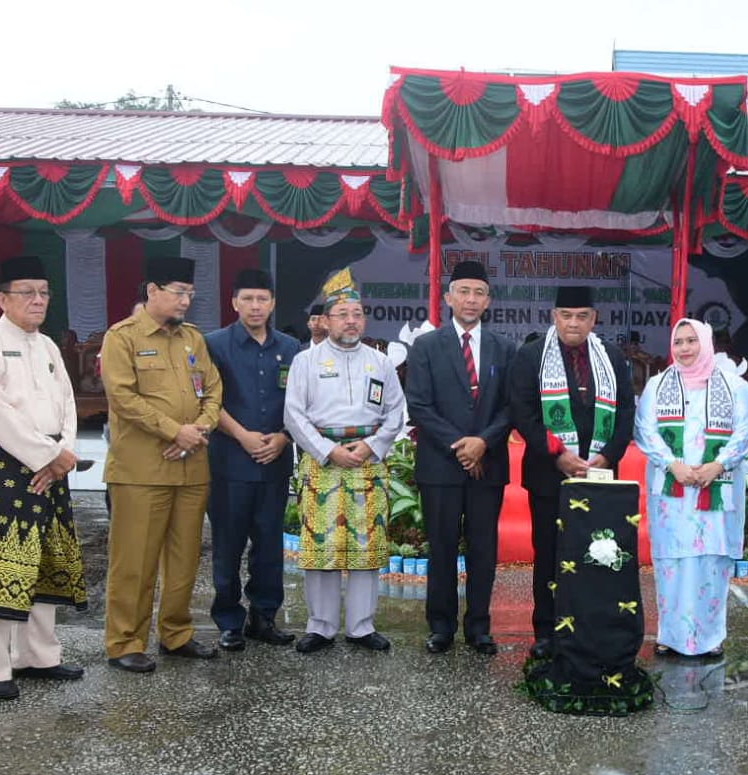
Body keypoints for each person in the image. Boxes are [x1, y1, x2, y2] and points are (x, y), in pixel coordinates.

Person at [0, 255, 86, 700]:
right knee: (1, 558)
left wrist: (63, 451)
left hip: (52, 462)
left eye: (44, 293)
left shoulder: (48, 345)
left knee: (46, 558)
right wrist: (47, 455)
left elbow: (67, 403)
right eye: (27, 292)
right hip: (3, 462)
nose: (37, 300)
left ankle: (38, 655)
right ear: (1, 298)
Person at [99, 256, 223, 672]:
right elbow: (123, 397)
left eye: (190, 293)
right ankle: (125, 642)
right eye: (178, 292)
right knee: (134, 560)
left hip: (191, 467)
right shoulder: (123, 337)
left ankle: (176, 633)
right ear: (152, 291)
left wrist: (198, 431)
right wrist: (175, 431)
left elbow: (213, 391)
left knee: (184, 557)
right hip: (141, 470)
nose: (186, 300)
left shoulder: (192, 339)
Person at [509, 285, 637, 659]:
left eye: (582, 316)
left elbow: (627, 411)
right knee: (548, 553)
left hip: (600, 478)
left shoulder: (611, 357)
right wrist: (557, 454)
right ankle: (546, 632)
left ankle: (592, 626)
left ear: (594, 319)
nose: (574, 323)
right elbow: (523, 411)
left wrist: (609, 456)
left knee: (596, 552)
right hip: (549, 476)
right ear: (554, 317)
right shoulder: (531, 356)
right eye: (567, 315)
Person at [284, 271, 407, 653]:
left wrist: (372, 446)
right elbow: (294, 415)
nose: (351, 320)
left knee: (366, 548)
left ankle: (361, 626)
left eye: (357, 314)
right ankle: (320, 626)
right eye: (342, 314)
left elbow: (396, 411)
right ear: (325, 320)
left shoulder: (380, 362)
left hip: (367, 462)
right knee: (321, 547)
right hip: (323, 461)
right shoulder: (307, 361)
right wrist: (327, 450)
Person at [404, 260, 517, 655]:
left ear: (488, 300)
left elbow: (511, 406)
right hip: (440, 465)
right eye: (464, 292)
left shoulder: (506, 347)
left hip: (489, 465)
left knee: (484, 550)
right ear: (448, 297)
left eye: (479, 293)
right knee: (442, 547)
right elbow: (418, 405)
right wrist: (462, 445)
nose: (471, 299)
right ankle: (440, 626)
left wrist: (482, 443)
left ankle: (479, 627)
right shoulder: (426, 346)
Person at [634, 319, 748, 658]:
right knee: (672, 563)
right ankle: (670, 636)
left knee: (710, 563)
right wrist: (673, 465)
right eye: (678, 342)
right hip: (671, 491)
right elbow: (645, 431)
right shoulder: (658, 386)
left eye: (692, 341)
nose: (685, 349)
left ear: (706, 344)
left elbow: (746, 432)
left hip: (717, 488)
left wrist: (719, 465)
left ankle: (709, 638)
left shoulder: (735, 387)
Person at [203, 268, 303, 651]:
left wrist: (284, 436)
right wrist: (242, 435)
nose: (256, 306)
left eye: (263, 299)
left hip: (275, 462)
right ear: (234, 303)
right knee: (227, 546)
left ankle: (264, 617)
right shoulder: (214, 345)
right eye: (248, 299)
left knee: (269, 546)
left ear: (273, 303)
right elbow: (207, 401)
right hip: (229, 462)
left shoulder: (291, 348)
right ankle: (229, 620)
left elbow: (300, 403)